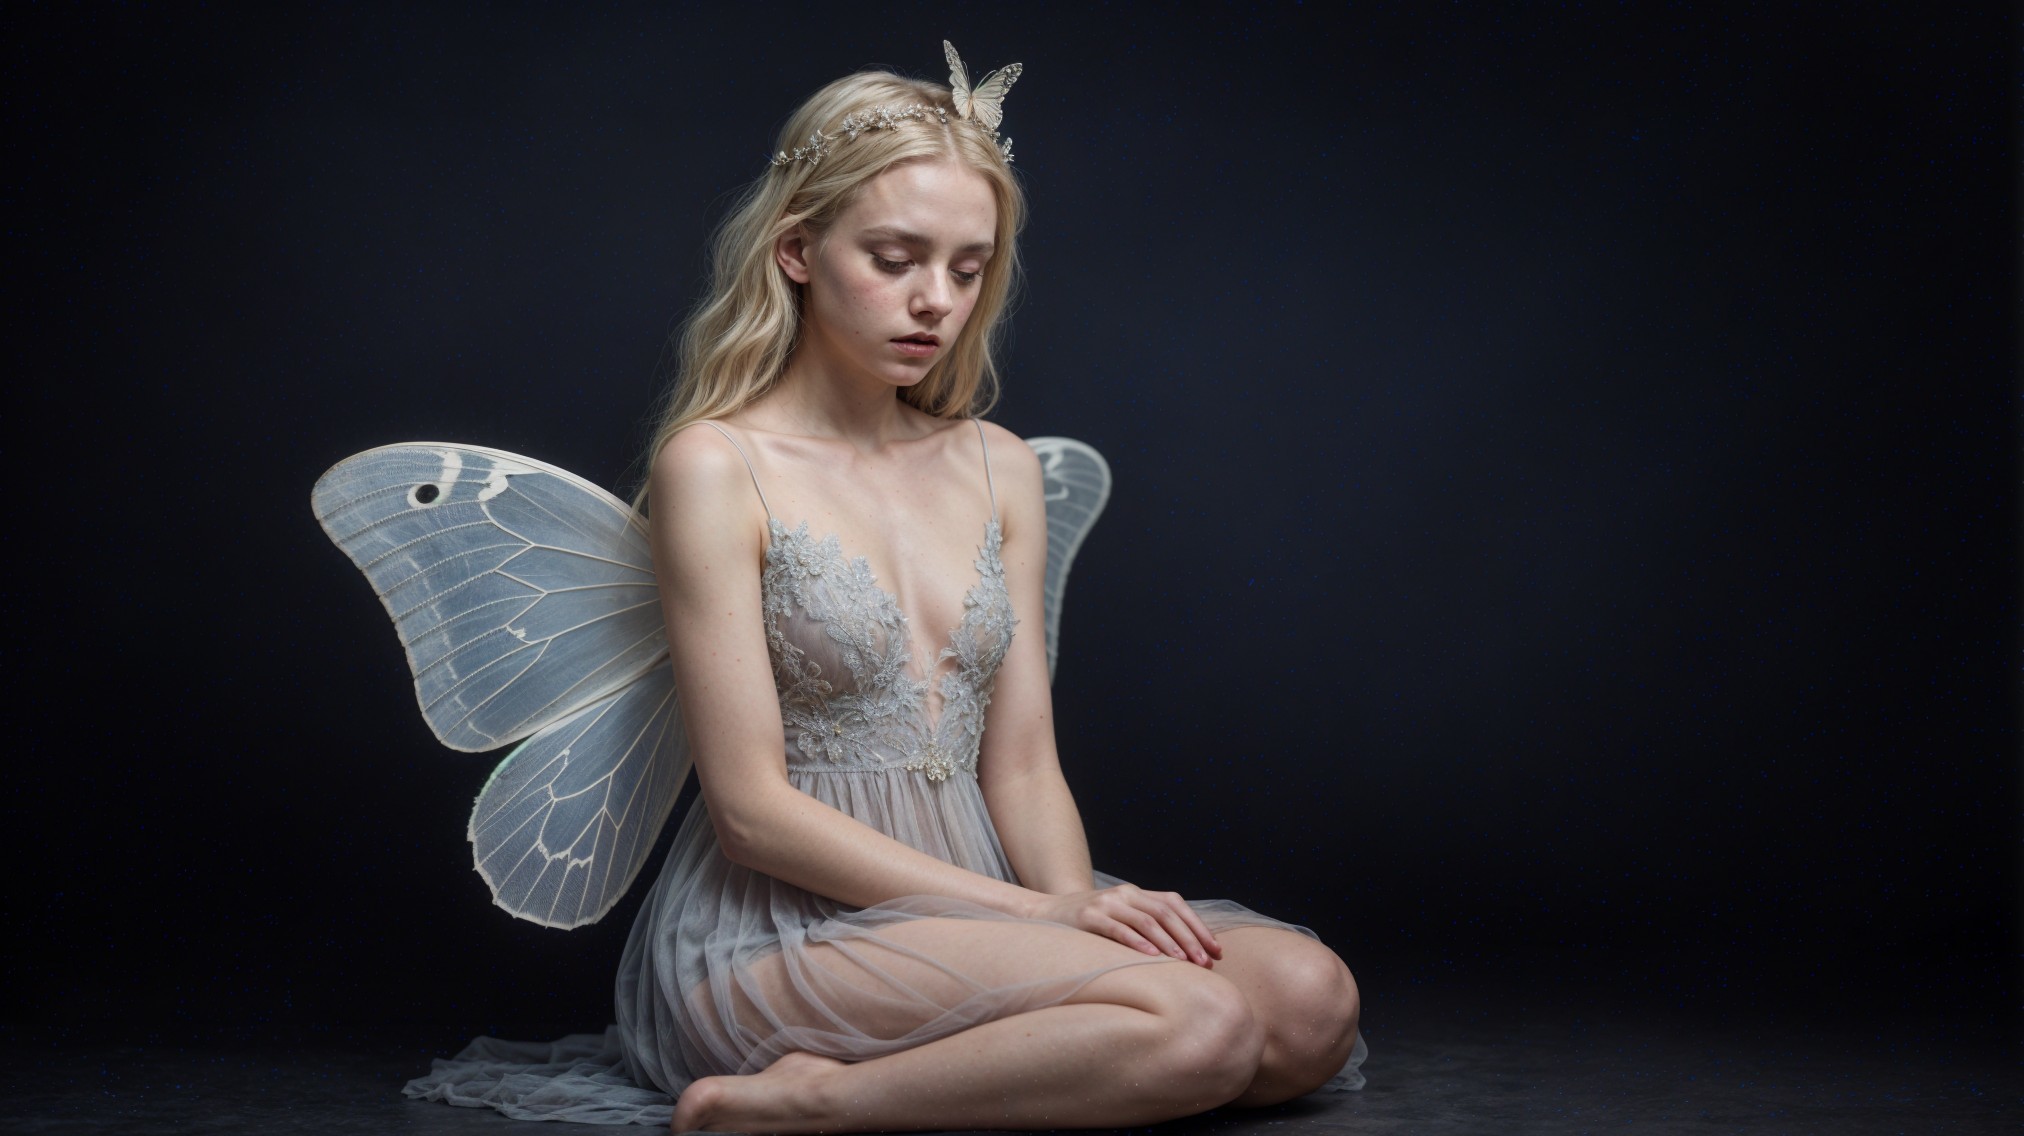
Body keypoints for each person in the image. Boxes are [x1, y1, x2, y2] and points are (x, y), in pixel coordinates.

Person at [404, 44, 1363, 1131]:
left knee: (1306, 999)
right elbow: (751, 813)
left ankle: (1039, 1054)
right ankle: (817, 1101)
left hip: (981, 895)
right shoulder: (717, 466)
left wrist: (1081, 906)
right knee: (1201, 1026)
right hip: (779, 927)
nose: (934, 301)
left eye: (966, 268)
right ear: (798, 250)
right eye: (896, 257)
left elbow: (1022, 761)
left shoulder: (999, 465)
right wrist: (1041, 913)